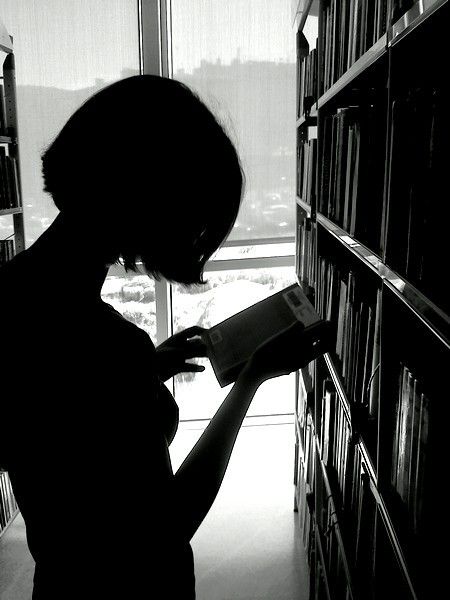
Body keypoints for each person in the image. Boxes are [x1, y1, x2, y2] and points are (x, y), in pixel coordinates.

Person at [0, 75, 329, 599]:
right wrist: (249, 381)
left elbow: (62, 431)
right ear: (153, 198)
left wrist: (148, 367)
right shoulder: (106, 346)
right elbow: (165, 524)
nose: (195, 237)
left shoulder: (11, 296)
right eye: (194, 216)